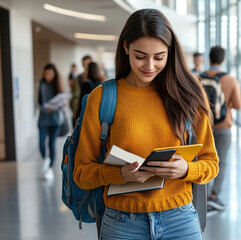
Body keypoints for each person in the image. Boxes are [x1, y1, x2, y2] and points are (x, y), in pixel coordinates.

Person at [73, 9, 219, 239]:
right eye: (140, 56)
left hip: (180, 220)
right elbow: (81, 173)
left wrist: (186, 169)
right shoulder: (102, 98)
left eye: (159, 57)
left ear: (170, 53)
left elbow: (211, 163)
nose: (149, 65)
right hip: (121, 223)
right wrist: (120, 174)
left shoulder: (189, 95)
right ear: (125, 48)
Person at [202, 46, 241, 213]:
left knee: (204, 159)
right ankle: (214, 196)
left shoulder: (198, 78)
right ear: (223, 60)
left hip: (204, 127)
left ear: (209, 58)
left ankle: (203, 195)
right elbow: (239, 105)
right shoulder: (230, 80)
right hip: (224, 126)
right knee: (221, 161)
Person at [37, 63, 64, 180]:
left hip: (55, 119)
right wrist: (45, 108)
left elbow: (62, 102)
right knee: (41, 144)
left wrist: (60, 105)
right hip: (43, 118)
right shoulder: (40, 84)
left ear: (54, 74)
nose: (48, 76)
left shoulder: (57, 85)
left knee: (51, 144)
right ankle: (46, 159)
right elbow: (37, 102)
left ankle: (50, 169)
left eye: (50, 74)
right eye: (46, 73)